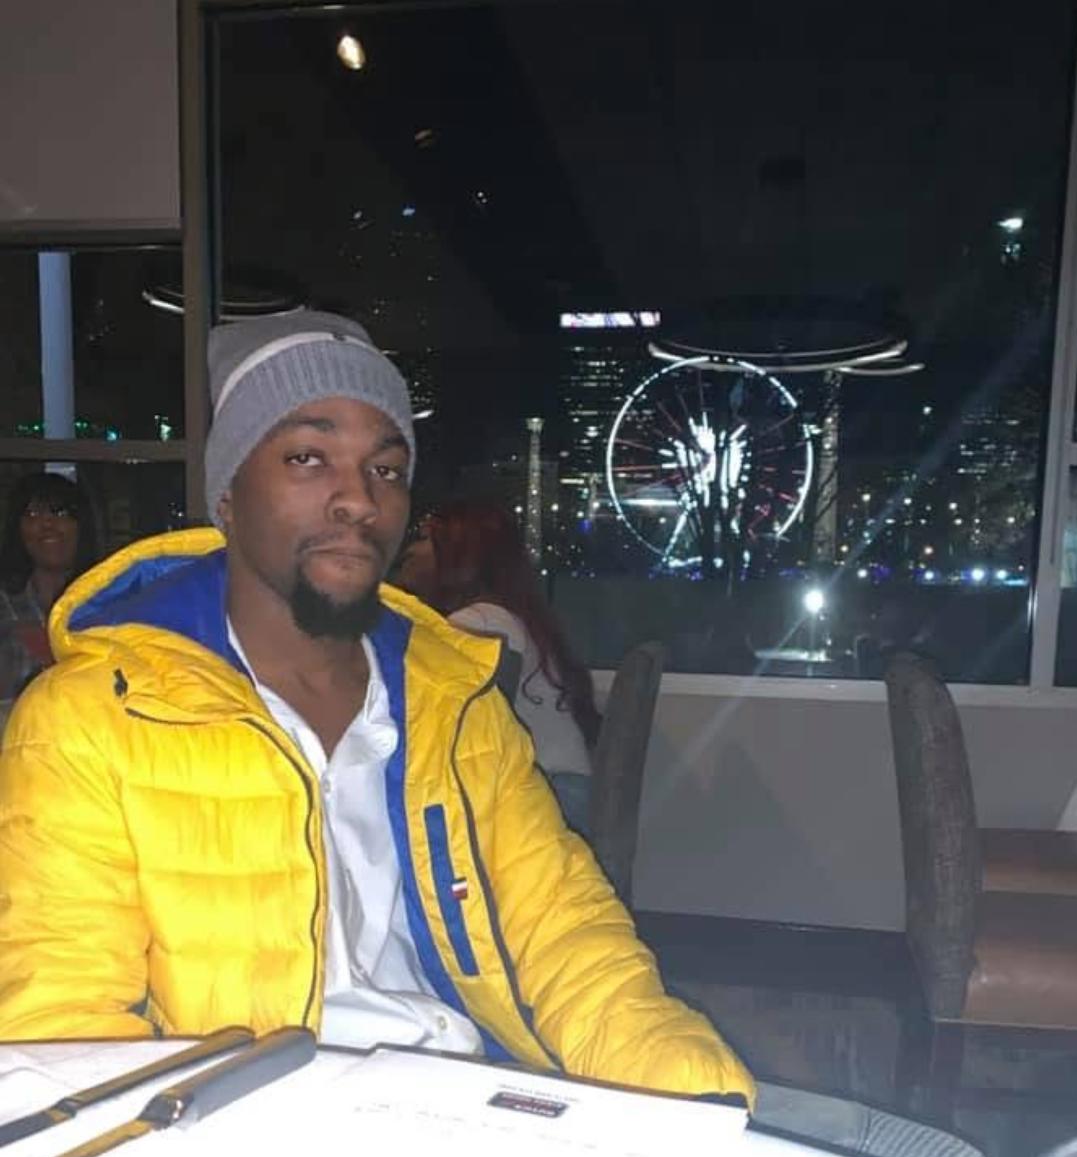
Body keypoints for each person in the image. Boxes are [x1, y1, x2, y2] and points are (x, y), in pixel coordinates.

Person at [0, 310, 754, 1106]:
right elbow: (60, 1021)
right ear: (227, 496)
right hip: (240, 1131)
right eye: (307, 457)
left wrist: (688, 1092)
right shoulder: (91, 719)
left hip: (469, 1100)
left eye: (386, 469)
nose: (358, 498)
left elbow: (563, 928)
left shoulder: (453, 704)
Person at [396, 500, 598, 834]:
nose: (408, 551)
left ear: (458, 554)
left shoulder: (482, 624)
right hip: (559, 790)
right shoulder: (502, 617)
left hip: (550, 798)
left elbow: (465, 731)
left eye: (423, 539)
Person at [0, 471, 97, 710]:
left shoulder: (108, 604)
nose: (47, 525)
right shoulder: (4, 605)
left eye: (60, 513)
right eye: (33, 514)